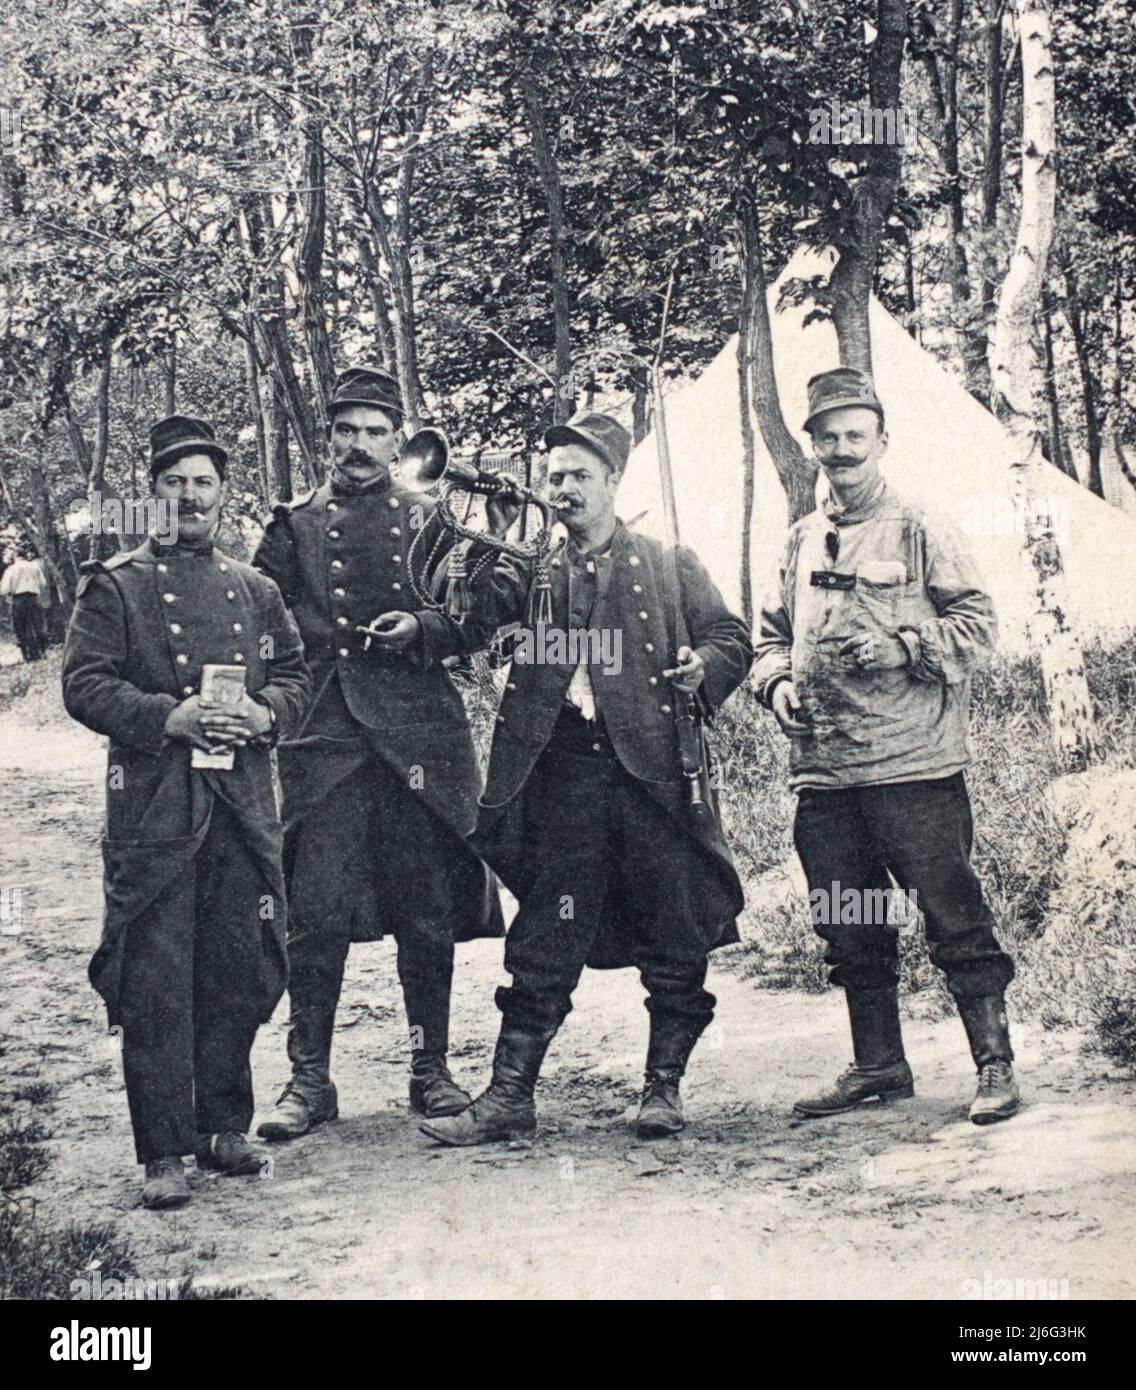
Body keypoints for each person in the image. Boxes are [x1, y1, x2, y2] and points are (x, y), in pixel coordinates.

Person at [418, 410, 753, 1147]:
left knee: (674, 932)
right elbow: (467, 618)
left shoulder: (668, 563)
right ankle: (509, 1097)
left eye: (577, 475)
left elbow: (731, 637)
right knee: (546, 929)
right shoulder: (532, 567)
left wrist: (706, 669)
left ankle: (662, 1089)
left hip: (652, 776)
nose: (562, 488)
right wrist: (490, 538)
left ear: (611, 481)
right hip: (564, 773)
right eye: (553, 476)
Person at [752, 367, 1020, 1126]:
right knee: (850, 920)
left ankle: (995, 1065)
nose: (842, 450)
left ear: (881, 442)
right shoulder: (801, 539)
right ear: (812, 447)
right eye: (828, 437)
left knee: (953, 916)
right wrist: (777, 686)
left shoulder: (920, 526)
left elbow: (979, 626)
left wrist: (907, 646)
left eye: (855, 436)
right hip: (825, 773)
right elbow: (768, 638)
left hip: (914, 769)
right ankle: (878, 1066)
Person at [62, 415, 311, 1209]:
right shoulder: (117, 585)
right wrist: (170, 717)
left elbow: (299, 679)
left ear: (222, 494)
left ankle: (222, 1127)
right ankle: (163, 1150)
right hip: (157, 812)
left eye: (204, 482)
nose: (191, 496)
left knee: (238, 966)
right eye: (176, 482)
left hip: (241, 805)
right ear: (153, 493)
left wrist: (265, 715)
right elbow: (85, 684)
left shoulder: (256, 589)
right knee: (158, 980)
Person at [252, 366, 504, 1140]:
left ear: (397, 441)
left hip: (418, 740)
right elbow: (255, 623)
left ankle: (430, 1071)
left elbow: (480, 613)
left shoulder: (434, 520)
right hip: (323, 741)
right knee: (315, 914)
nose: (358, 446)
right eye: (345, 430)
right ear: (326, 438)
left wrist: (425, 632)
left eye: (374, 432)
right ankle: (309, 1079)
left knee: (424, 915)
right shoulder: (291, 527)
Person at [2, 542, 52, 660]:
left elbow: (4, 589)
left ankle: (28, 655)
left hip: (19, 599)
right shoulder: (35, 566)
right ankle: (42, 652)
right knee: (37, 625)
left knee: (21, 626)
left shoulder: (12, 569)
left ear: (15, 556)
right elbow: (43, 583)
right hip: (33, 597)